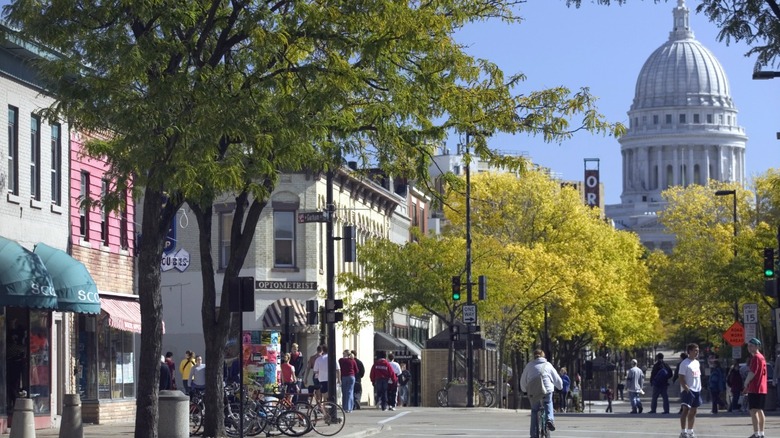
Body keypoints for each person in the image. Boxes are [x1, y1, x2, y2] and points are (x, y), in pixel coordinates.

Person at [520, 349, 563, 437]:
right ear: (543, 356)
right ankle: (549, 419)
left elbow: (523, 381)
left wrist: (524, 389)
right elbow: (558, 380)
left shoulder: (529, 366)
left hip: (533, 392)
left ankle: (533, 434)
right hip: (547, 390)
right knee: (548, 402)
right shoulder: (548, 365)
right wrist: (560, 387)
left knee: (535, 410)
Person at [743, 337, 767, 438]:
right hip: (762, 387)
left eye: (751, 345)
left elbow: (752, 372)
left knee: (753, 411)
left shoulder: (756, 358)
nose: (749, 347)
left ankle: (757, 433)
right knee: (760, 410)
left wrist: (746, 383)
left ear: (757, 346)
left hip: (755, 387)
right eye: (748, 345)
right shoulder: (762, 357)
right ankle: (761, 433)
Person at [678, 343, 702, 438]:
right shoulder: (684, 363)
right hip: (688, 390)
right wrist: (686, 389)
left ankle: (690, 431)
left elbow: (697, 377)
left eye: (698, 350)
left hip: (697, 390)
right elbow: (681, 378)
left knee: (694, 411)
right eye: (695, 350)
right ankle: (683, 432)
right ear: (690, 351)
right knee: (685, 411)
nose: (697, 352)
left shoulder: (697, 362)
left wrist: (700, 387)